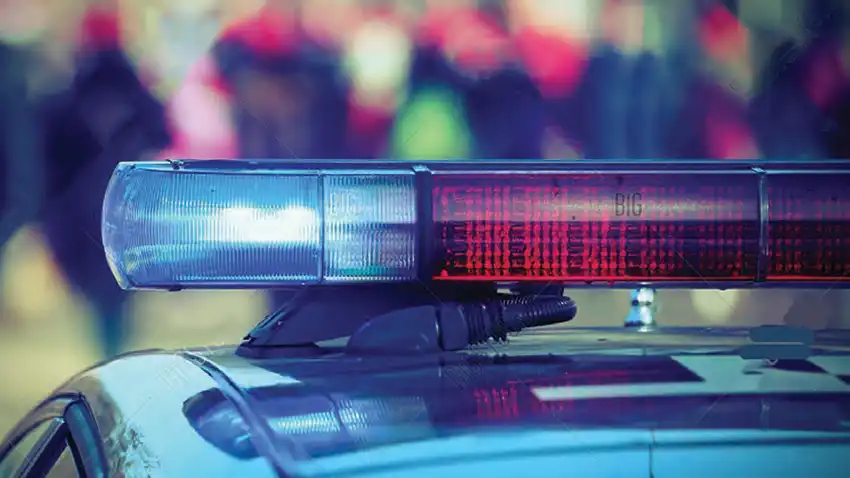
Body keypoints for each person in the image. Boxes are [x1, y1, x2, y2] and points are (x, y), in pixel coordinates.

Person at [39, 4, 171, 358]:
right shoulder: (132, 90)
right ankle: (114, 354)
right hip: (117, 213)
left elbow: (51, 162)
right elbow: (162, 133)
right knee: (114, 301)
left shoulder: (68, 93)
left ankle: (112, 354)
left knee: (107, 304)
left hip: (86, 216)